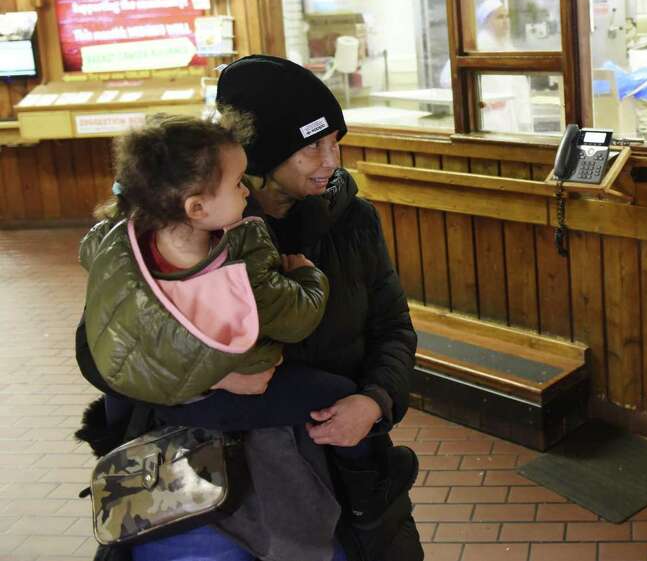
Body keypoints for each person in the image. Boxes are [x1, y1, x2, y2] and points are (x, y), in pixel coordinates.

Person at [75, 57, 422, 561]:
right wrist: (210, 375)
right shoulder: (180, 230)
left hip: (334, 478)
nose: (332, 160)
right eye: (311, 147)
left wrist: (373, 402)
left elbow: (393, 326)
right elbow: (99, 353)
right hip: (192, 483)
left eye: (334, 142)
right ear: (261, 157)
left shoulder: (354, 221)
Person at [438, 0, 533, 132]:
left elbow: (520, 88)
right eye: (500, 17)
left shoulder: (508, 47)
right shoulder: (475, 47)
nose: (506, 22)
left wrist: (525, 119)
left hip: (510, 118)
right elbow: (447, 79)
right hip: (486, 119)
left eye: (507, 16)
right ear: (486, 21)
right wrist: (478, 101)